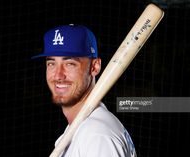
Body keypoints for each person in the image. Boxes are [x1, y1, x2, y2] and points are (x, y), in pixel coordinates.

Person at [32, 24, 136, 157]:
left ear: (94, 67)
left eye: (70, 64)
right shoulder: (78, 131)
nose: (58, 75)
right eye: (51, 63)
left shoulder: (97, 135)